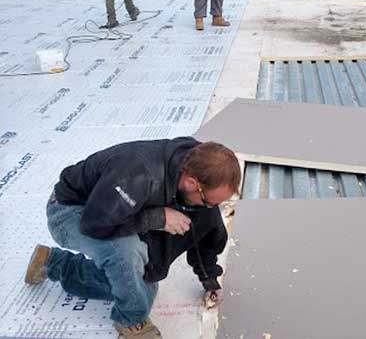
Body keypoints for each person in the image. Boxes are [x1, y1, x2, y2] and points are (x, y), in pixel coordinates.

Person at [24, 138, 241, 339]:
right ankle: (130, 321)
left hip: (118, 209)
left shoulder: (196, 170)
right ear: (193, 183)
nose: (211, 207)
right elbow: (95, 223)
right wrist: (158, 218)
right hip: (73, 212)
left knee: (143, 287)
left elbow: (207, 226)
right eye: (208, 200)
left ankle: (53, 263)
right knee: (126, 254)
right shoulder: (139, 174)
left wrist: (209, 278)